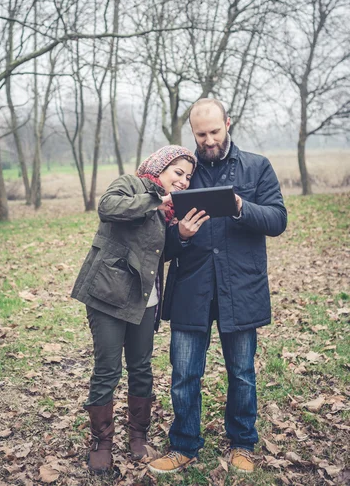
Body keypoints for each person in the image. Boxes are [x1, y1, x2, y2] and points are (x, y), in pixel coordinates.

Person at [149, 98, 287, 475]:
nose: (208, 140)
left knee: (242, 373)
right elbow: (159, 244)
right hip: (191, 289)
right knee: (184, 373)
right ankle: (184, 446)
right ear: (191, 133)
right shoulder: (182, 174)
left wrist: (242, 206)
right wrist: (181, 234)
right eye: (200, 134)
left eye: (214, 131)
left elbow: (278, 219)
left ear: (228, 123)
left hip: (240, 287)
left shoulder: (257, 166)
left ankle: (242, 443)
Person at [71, 145, 208, 474]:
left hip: (146, 300)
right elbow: (108, 208)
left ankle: (138, 437)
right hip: (109, 293)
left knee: (141, 368)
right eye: (178, 172)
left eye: (189, 176)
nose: (184, 181)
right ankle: (101, 443)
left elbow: (158, 253)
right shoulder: (130, 186)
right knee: (107, 369)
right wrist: (154, 201)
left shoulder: (171, 210)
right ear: (160, 167)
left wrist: (182, 236)